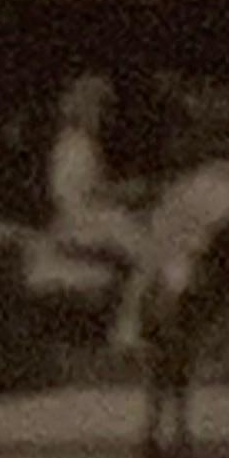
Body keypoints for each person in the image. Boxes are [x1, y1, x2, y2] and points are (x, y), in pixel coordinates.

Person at [42, 72, 161, 363]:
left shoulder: (74, 143)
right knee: (149, 254)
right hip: (82, 220)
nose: (104, 117)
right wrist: (129, 192)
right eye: (100, 108)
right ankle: (126, 331)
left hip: (85, 216)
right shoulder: (77, 146)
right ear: (86, 109)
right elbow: (87, 192)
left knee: (138, 233)